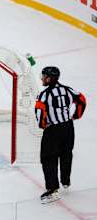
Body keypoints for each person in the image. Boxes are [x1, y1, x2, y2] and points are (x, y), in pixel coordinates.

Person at [35, 66, 86, 204]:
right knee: (66, 153)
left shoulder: (44, 94)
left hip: (53, 130)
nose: (41, 78)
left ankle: (53, 190)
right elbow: (82, 100)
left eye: (44, 76)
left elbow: (40, 112)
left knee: (48, 158)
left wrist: (43, 124)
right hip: (68, 128)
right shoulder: (68, 89)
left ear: (49, 78)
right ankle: (65, 181)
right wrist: (75, 116)